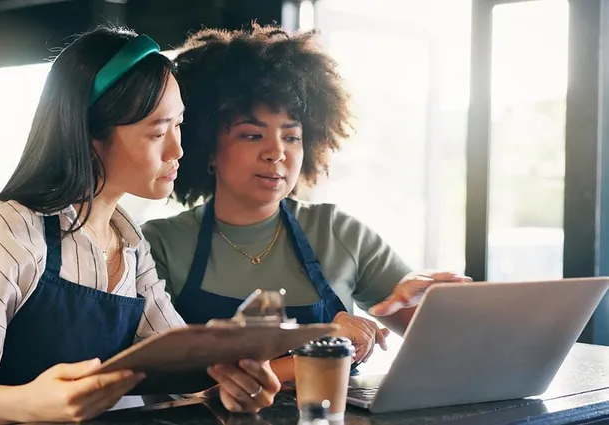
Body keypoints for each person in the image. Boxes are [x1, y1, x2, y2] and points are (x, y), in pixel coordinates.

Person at [0, 27, 281, 425]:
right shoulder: (1, 230)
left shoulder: (129, 245)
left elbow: (179, 365)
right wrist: (25, 404)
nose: (177, 150)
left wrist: (230, 384)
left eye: (178, 126)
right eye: (158, 131)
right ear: (92, 134)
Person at [141, 24, 471, 382]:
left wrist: (438, 309)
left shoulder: (338, 232)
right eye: (252, 135)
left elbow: (457, 350)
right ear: (208, 151)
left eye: (292, 136)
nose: (276, 153)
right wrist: (325, 343)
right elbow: (167, 376)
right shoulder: (157, 244)